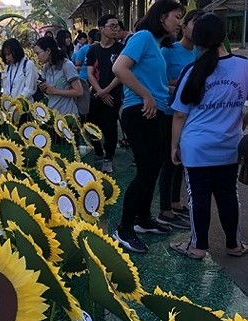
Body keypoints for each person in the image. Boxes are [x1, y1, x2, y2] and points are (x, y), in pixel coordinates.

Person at [169, 14, 248, 259]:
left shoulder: (192, 71)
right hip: (229, 145)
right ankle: (234, 245)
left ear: (197, 40)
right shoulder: (244, 66)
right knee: (228, 194)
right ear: (224, 36)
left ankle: (198, 247)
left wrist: (174, 146)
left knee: (199, 196)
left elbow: (180, 115)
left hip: (196, 147)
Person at [111, 0, 184, 253]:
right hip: (140, 112)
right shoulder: (142, 36)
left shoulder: (156, 44)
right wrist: (146, 95)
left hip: (155, 112)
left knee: (152, 169)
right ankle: (124, 228)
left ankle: (143, 219)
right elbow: (119, 68)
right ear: (162, 16)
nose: (180, 23)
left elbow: (158, 82)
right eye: (177, 16)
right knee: (145, 171)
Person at [156, 9, 205, 229]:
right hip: (169, 113)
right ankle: (165, 210)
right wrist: (185, 84)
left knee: (180, 160)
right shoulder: (168, 51)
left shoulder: (201, 53)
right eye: (195, 23)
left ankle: (176, 203)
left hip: (190, 115)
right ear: (183, 26)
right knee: (169, 160)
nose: (198, 28)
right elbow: (159, 82)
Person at [85, 15, 124, 174]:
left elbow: (121, 74)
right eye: (112, 26)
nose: (115, 29)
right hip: (96, 94)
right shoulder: (93, 49)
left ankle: (108, 157)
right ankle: (98, 151)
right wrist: (100, 92)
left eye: (117, 26)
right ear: (101, 28)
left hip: (113, 95)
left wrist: (106, 90)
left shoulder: (121, 50)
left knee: (110, 126)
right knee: (90, 125)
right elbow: (90, 73)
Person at [33, 37, 83, 116]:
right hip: (53, 114)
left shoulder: (67, 65)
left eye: (38, 53)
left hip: (68, 115)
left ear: (48, 51)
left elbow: (79, 91)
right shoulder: (46, 67)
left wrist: (56, 91)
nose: (36, 57)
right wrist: (44, 88)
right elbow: (51, 89)